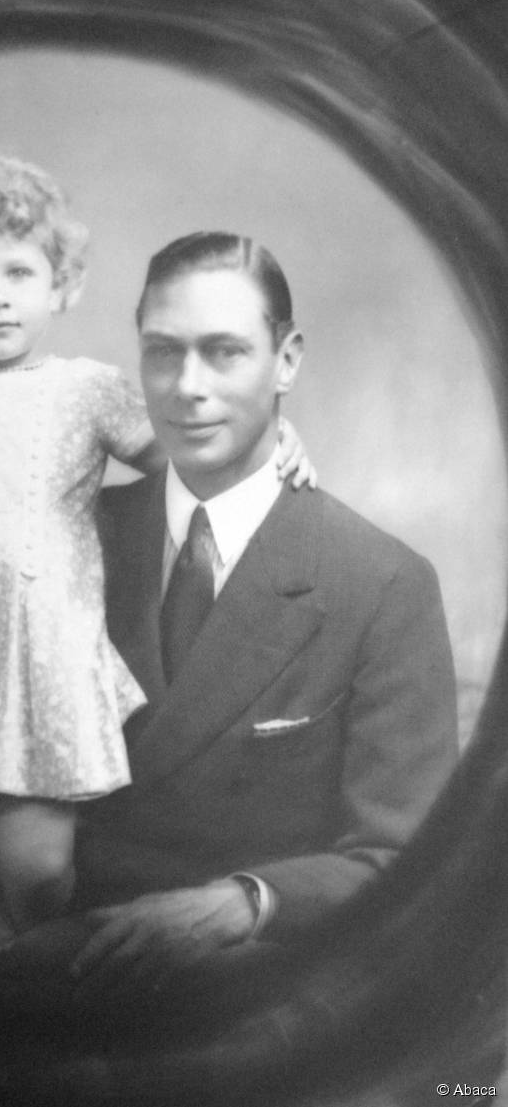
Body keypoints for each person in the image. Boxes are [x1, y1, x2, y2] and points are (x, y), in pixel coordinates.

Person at [0, 153, 315, 960]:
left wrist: (274, 437)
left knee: (37, 862)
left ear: (59, 284)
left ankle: (53, 967)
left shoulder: (86, 388)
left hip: (38, 648)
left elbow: (191, 458)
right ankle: (4, 1002)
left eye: (18, 271)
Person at [46, 231, 459, 998]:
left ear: (288, 361)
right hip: (65, 959)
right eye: (162, 352)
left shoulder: (382, 581)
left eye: (224, 352)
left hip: (257, 980)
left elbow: (400, 851)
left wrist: (243, 901)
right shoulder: (69, 537)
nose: (186, 386)